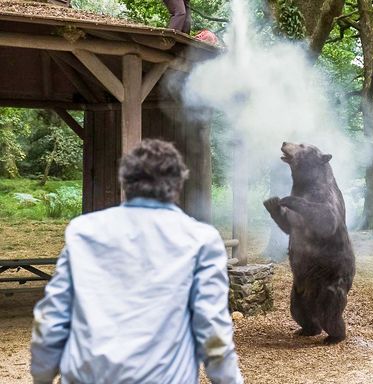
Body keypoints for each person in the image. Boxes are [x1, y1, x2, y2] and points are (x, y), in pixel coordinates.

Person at [30, 139, 243, 384]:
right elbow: (212, 330)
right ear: (178, 184)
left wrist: (42, 377)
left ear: (125, 182)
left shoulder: (83, 232)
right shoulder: (201, 240)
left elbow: (52, 318)